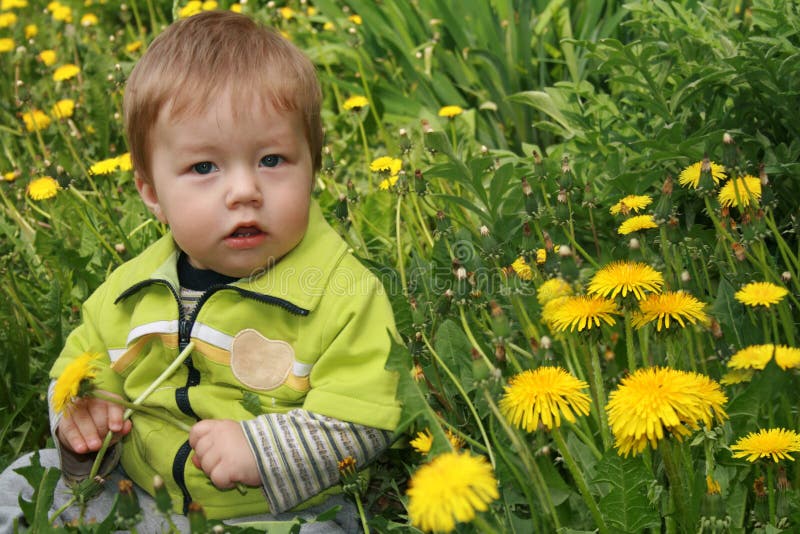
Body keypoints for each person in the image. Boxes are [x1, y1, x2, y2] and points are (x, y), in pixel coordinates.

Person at [0, 10, 400, 532]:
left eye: (273, 160)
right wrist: (82, 421)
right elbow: (76, 368)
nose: (243, 191)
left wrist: (261, 451)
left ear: (314, 164)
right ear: (150, 192)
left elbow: (368, 415)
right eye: (204, 168)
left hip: (275, 513)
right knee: (22, 484)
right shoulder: (128, 293)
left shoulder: (343, 293)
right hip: (136, 489)